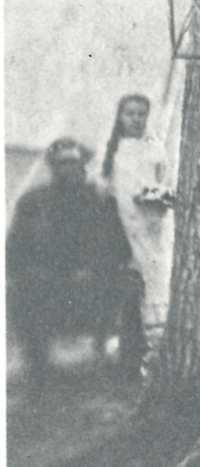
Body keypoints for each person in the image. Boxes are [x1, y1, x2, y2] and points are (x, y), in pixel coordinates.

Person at [7, 138, 132, 386]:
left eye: (74, 162)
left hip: (90, 280)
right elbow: (14, 249)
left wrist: (94, 268)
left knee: (122, 286)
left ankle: (105, 361)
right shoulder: (34, 202)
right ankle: (39, 368)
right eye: (62, 163)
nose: (68, 168)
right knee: (19, 292)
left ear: (83, 164)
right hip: (47, 282)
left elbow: (120, 247)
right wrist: (32, 272)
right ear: (53, 166)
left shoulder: (100, 201)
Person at [101, 93, 174, 369]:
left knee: (156, 282)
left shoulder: (154, 147)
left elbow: (164, 179)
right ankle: (131, 354)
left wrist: (159, 197)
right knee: (132, 288)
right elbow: (107, 189)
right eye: (130, 113)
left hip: (152, 225)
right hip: (122, 228)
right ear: (121, 116)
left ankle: (158, 349)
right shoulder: (114, 150)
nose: (136, 119)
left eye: (141, 114)